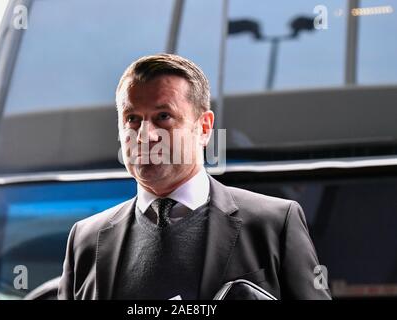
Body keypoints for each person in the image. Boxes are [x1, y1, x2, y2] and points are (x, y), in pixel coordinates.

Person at [57, 53, 331, 300]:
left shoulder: (273, 224)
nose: (144, 136)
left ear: (204, 127)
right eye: (132, 119)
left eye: (163, 116)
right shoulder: (85, 239)